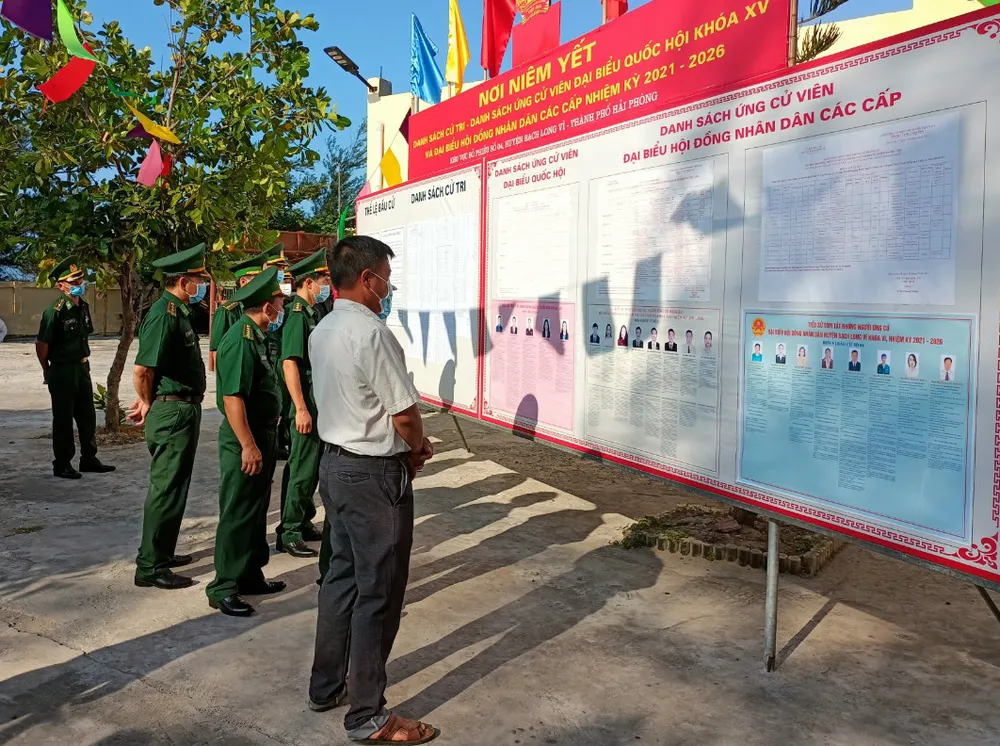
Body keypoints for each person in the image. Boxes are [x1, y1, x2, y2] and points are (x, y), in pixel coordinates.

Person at [308, 236, 439, 743]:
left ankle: (326, 686)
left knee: (341, 578)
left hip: (336, 466)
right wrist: (417, 448)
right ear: (367, 278)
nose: (388, 287)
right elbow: (404, 413)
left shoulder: (323, 329)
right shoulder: (371, 333)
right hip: (372, 475)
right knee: (378, 592)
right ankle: (367, 714)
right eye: (386, 277)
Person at [206, 268, 288, 617]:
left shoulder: (258, 336)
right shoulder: (240, 340)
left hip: (263, 433)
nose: (282, 307)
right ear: (267, 307)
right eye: (280, 302)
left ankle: (250, 575)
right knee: (239, 510)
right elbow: (233, 399)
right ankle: (223, 586)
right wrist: (248, 445)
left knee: (256, 509)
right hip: (246, 435)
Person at [129, 243, 210, 590]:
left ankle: (161, 551)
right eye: (198, 279)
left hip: (183, 408)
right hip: (172, 410)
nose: (202, 285)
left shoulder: (179, 312)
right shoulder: (165, 314)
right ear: (182, 280)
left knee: (176, 488)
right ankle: (150, 566)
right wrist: (146, 401)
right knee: (166, 489)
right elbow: (142, 369)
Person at [35, 257, 115, 479]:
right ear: (62, 286)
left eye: (80, 279)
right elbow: (42, 343)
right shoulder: (55, 310)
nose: (79, 284)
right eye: (73, 282)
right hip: (62, 369)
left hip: (82, 368)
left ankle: (89, 458)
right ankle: (62, 463)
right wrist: (46, 368)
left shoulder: (84, 307)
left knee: (87, 415)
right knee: (63, 418)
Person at [276, 249, 331, 558]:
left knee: (312, 466)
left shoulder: (311, 312)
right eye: (324, 280)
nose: (327, 285)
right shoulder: (297, 314)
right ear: (309, 283)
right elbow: (290, 363)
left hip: (315, 397)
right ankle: (290, 531)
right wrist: (300, 407)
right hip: (305, 399)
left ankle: (304, 519)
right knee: (302, 466)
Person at [209, 250, 268, 371]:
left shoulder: (261, 308)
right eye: (257, 279)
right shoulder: (226, 311)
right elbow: (218, 353)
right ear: (243, 282)